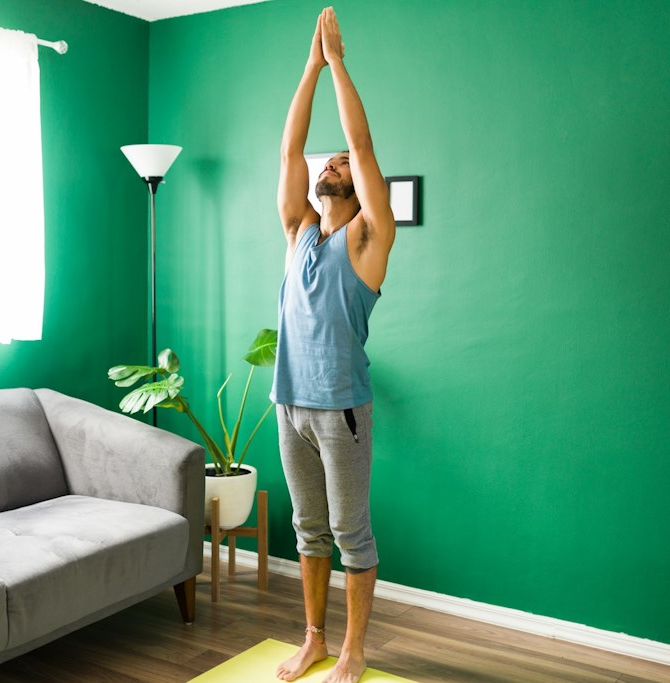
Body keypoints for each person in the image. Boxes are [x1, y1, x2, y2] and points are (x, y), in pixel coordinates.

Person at [270, 7, 396, 683]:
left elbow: (365, 143)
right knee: (307, 530)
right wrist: (310, 66)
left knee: (352, 535)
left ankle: (354, 648)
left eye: (342, 163)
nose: (335, 164)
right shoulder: (299, 233)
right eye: (333, 163)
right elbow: (291, 151)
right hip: (289, 401)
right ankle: (315, 636)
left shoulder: (367, 240)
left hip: (342, 409)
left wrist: (339, 62)